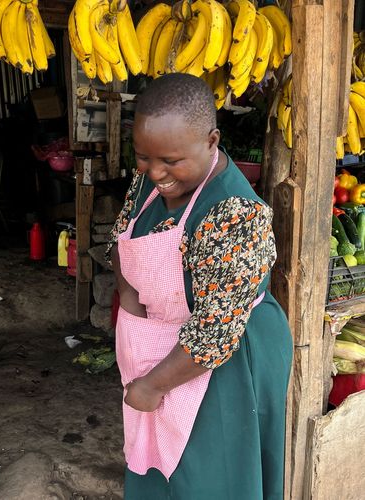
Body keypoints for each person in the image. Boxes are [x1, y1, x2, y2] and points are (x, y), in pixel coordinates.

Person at [106, 73, 293, 500]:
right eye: (143, 157)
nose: (154, 173)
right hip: (164, 341)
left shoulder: (236, 214)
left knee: (212, 474)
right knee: (157, 462)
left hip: (228, 356)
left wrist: (153, 383)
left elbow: (215, 333)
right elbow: (122, 245)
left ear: (211, 141)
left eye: (170, 161)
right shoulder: (150, 179)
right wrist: (135, 320)